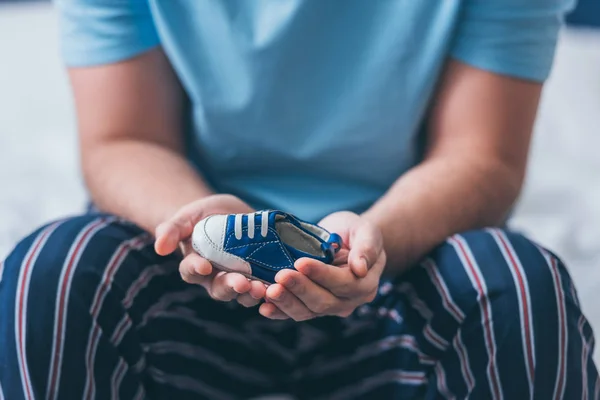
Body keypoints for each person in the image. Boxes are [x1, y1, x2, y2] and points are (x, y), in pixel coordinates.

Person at [1, 0, 597, 399]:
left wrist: (371, 241)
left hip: (402, 266)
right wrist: (199, 223)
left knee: (521, 288)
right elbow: (124, 139)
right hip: (181, 273)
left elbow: (483, 156)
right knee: (47, 276)